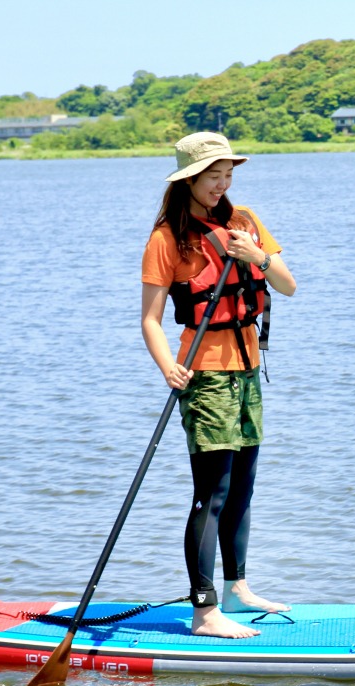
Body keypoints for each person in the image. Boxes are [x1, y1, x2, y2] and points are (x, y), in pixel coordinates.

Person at [140, 132, 297, 639]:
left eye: (228, 175)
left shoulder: (244, 221)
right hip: (204, 374)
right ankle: (204, 612)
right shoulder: (167, 238)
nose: (222, 184)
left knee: (244, 487)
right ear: (189, 179)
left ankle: (237, 589)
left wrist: (256, 256)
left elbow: (288, 286)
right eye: (213, 176)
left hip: (248, 369)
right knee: (213, 492)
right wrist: (168, 366)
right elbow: (149, 319)